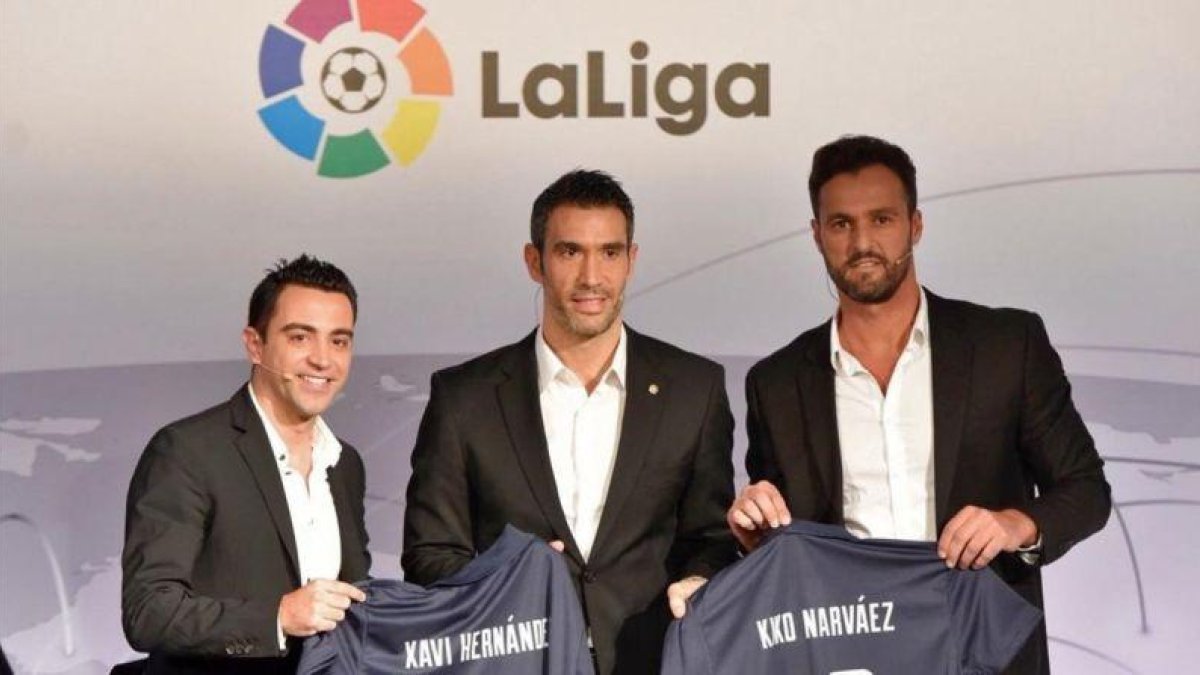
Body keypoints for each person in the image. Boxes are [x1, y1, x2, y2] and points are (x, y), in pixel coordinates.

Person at [727, 135, 1111, 674]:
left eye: (881, 218)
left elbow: (1087, 490)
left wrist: (1013, 524)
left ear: (916, 224)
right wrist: (753, 542)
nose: (862, 241)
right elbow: (788, 547)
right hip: (846, 658)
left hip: (984, 651)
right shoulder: (777, 382)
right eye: (841, 224)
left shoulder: (1006, 345)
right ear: (817, 235)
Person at [402, 169, 738, 674]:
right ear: (534, 261)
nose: (591, 278)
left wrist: (700, 582)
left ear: (632, 260)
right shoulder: (463, 398)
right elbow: (430, 557)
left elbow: (711, 541)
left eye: (609, 252)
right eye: (569, 252)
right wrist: (511, 579)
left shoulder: (695, 389)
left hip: (653, 663)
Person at [122, 255, 371, 674]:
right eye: (300, 338)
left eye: (339, 340)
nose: (323, 360)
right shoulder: (187, 451)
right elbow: (148, 611)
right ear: (255, 344)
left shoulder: (346, 464)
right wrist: (277, 618)